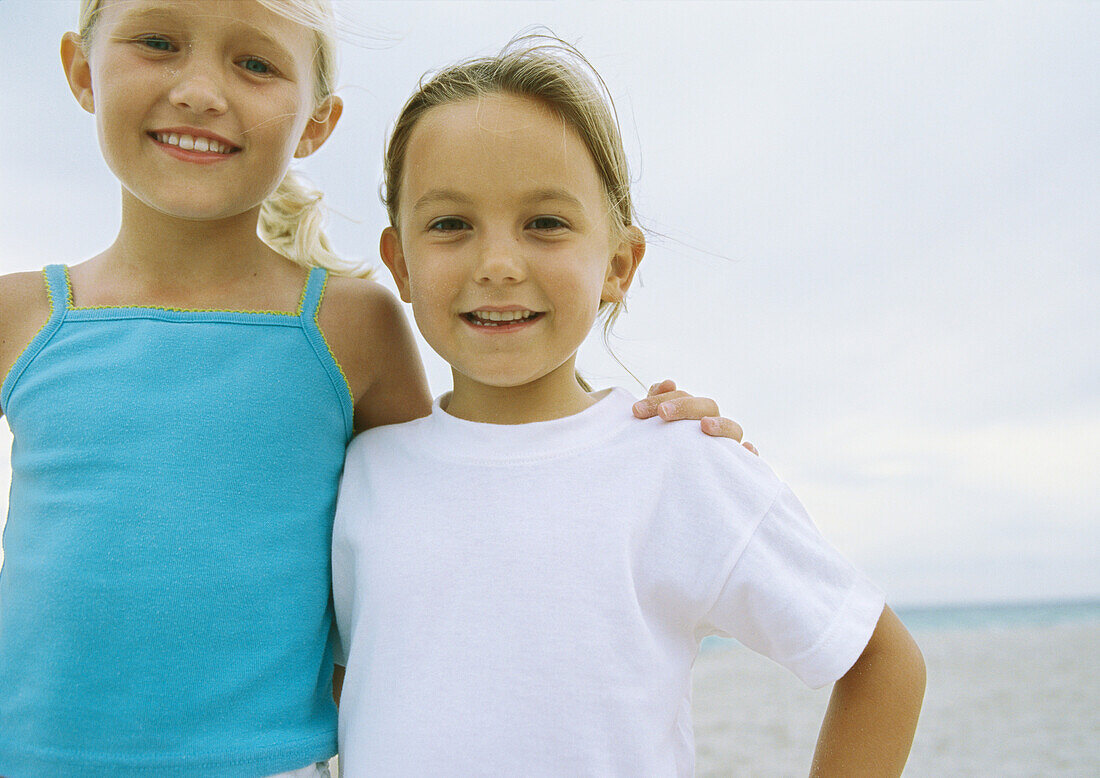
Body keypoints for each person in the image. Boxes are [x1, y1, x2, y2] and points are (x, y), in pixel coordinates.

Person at [0, 4, 745, 776]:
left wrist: (628, 437)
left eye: (255, 63)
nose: (199, 90)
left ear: (317, 123)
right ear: (83, 72)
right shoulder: (17, 315)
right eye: (158, 42)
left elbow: (457, 494)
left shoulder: (350, 325)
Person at [332, 38, 926, 777]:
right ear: (400, 264)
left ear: (619, 264)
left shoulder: (678, 461)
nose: (498, 264)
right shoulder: (361, 473)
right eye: (450, 224)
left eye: (545, 223)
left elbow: (880, 663)